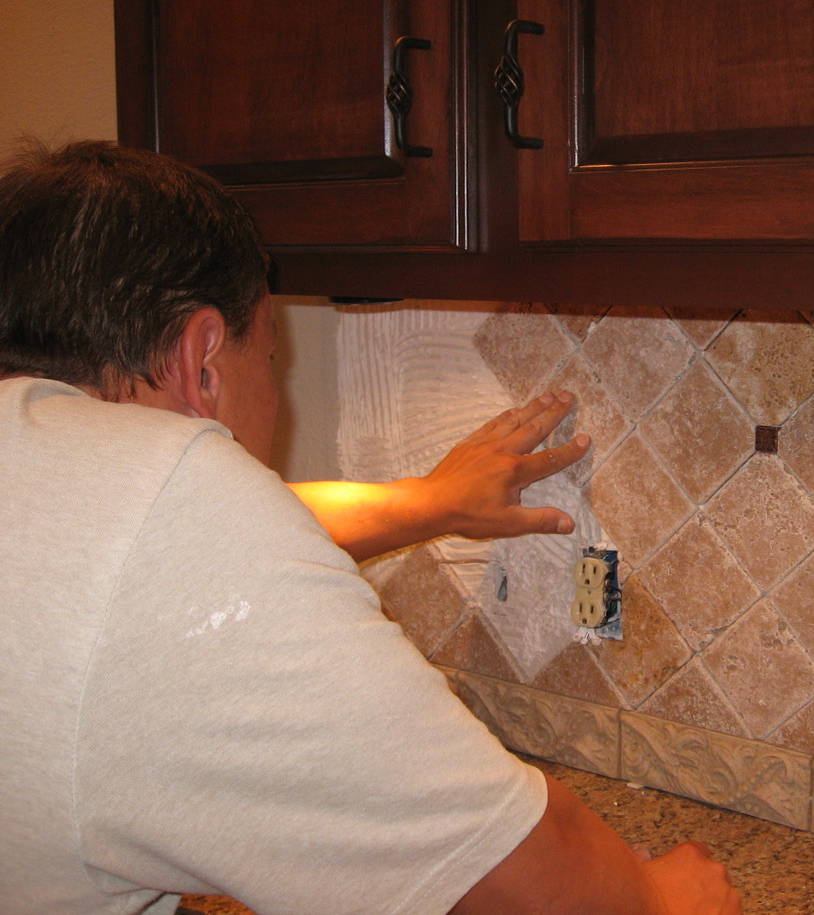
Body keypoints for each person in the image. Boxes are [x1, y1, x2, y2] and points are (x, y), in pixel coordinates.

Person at [0, 140, 741, 915]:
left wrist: (428, 501)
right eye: (274, 355)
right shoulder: (179, 502)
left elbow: (129, 555)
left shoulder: (59, 475)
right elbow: (512, 871)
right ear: (205, 363)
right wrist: (659, 899)